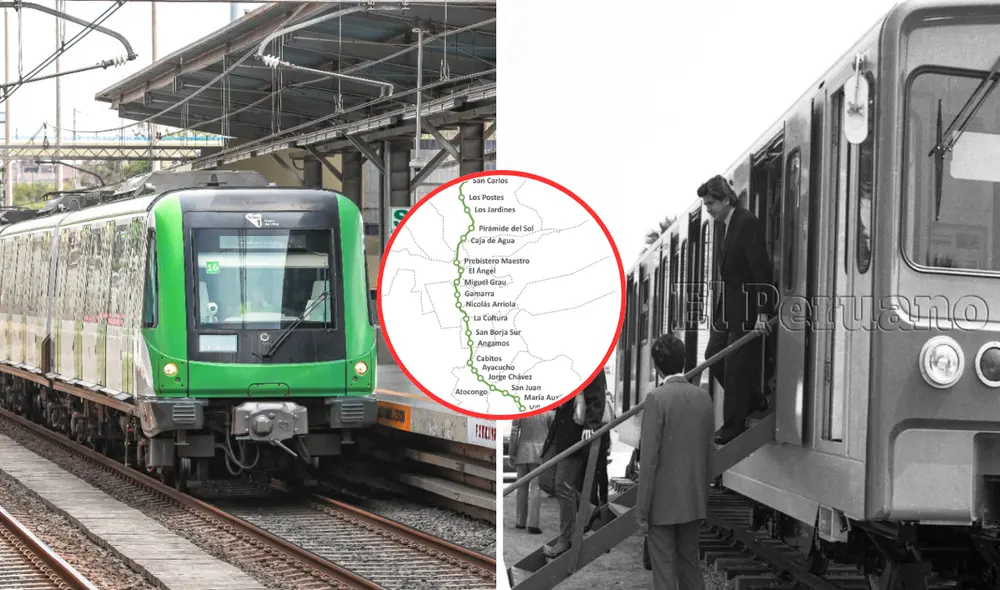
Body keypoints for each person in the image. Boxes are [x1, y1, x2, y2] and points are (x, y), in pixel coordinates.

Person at [698, 175, 775, 445]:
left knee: (735, 367)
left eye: (711, 204)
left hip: (747, 309)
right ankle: (754, 399)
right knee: (713, 357)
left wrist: (763, 313)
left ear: (726, 200)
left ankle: (733, 426)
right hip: (729, 309)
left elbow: (761, 270)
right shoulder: (728, 225)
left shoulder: (746, 223)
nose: (708, 209)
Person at [635, 333, 714, 590]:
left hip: (661, 504)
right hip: (693, 498)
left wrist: (642, 508)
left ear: (657, 367)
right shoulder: (704, 398)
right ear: (683, 362)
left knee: (664, 570)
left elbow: (649, 461)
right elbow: (708, 454)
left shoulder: (656, 399)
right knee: (690, 565)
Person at [539, 370, 606, 558]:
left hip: (576, 431)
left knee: (562, 485)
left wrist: (590, 425)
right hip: (559, 428)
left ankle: (565, 540)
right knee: (545, 480)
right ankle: (589, 509)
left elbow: (597, 396)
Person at [509, 410, 553, 534]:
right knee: (536, 488)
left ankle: (520, 521)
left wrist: (512, 453)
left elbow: (514, 432)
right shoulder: (548, 412)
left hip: (522, 452)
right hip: (540, 454)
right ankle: (533, 524)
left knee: (521, 488)